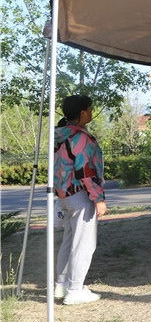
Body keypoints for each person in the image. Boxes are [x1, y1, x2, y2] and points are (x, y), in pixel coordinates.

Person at [54, 95, 106, 305]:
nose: (92, 111)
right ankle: (75, 290)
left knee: (69, 240)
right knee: (84, 243)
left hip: (65, 194)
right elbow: (86, 169)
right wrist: (98, 198)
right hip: (80, 194)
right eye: (90, 108)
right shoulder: (81, 137)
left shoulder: (60, 135)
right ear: (83, 112)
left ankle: (61, 285)